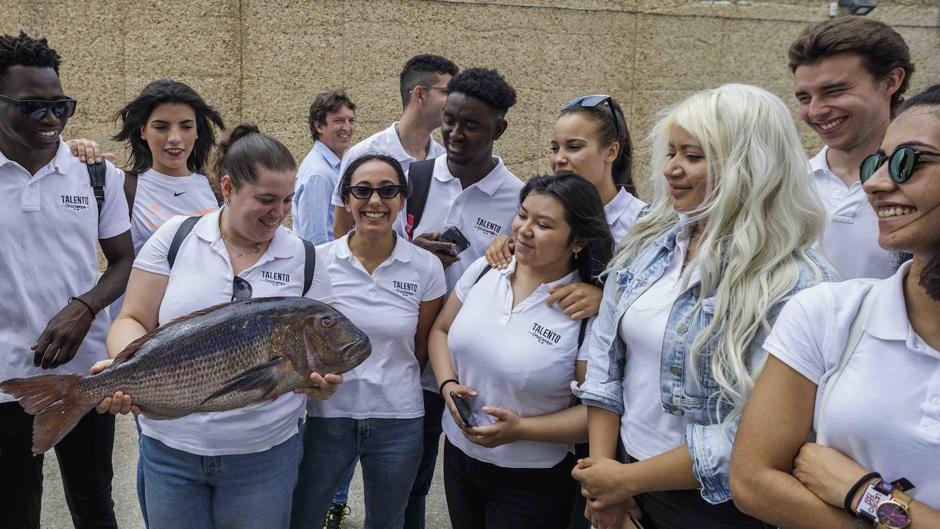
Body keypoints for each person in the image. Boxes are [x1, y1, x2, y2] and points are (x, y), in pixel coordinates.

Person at [570, 84, 837, 529]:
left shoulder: (797, 283)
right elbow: (605, 359)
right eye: (671, 153)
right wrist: (605, 477)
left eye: (693, 156)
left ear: (749, 165)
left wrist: (625, 480)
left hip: (716, 507)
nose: (671, 169)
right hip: (624, 476)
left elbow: (758, 434)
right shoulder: (653, 240)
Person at [96, 124, 341, 529]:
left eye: (286, 200)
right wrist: (123, 369)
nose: (278, 213)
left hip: (263, 456)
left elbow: (322, 347)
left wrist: (324, 383)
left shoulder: (306, 259)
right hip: (171, 449)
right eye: (265, 199)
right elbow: (133, 318)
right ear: (227, 188)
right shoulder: (177, 237)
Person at [730, 85, 940, 529]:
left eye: (909, 162)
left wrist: (862, 493)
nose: (877, 183)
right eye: (876, 163)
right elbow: (752, 481)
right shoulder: (830, 313)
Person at [0, 32, 134, 529]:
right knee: (14, 513)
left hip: (84, 375)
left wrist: (85, 307)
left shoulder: (96, 177)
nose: (52, 119)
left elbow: (124, 261)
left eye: (60, 106)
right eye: (33, 107)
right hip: (5, 381)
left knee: (95, 507)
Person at [429, 172, 614, 529]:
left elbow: (597, 415)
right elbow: (440, 329)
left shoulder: (584, 312)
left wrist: (522, 429)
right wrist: (448, 385)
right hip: (459, 457)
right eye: (523, 214)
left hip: (531, 478)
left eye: (543, 224)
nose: (524, 229)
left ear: (577, 242)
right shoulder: (487, 269)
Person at [291, 154, 446, 529]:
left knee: (387, 522)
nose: (374, 201)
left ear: (401, 199)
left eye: (387, 191)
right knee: (303, 518)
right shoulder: (316, 261)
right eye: (362, 191)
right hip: (326, 418)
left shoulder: (425, 267)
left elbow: (421, 347)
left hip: (398, 419)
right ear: (347, 199)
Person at [401, 66, 524, 529]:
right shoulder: (414, 178)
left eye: (470, 124)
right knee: (408, 481)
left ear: (499, 129)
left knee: (469, 479)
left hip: (473, 367)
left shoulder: (518, 199)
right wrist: (410, 251)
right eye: (449, 119)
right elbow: (375, 254)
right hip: (414, 359)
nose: (454, 133)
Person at [486, 94, 647, 320]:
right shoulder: (539, 205)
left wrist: (606, 300)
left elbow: (657, 307)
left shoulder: (644, 226)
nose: (559, 159)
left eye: (573, 147)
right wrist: (505, 248)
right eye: (554, 148)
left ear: (611, 151)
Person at [790, 16, 915, 279]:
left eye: (834, 91)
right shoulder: (788, 185)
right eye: (804, 97)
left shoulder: (922, 186)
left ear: (891, 82)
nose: (816, 111)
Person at [331, 54, 458, 238]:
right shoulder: (364, 154)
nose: (455, 102)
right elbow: (341, 228)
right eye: (447, 92)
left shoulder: (444, 159)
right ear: (420, 94)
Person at [293, 89, 356, 245]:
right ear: (319, 126)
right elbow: (315, 241)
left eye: (351, 121)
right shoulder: (318, 174)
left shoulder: (334, 167)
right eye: (339, 121)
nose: (347, 128)